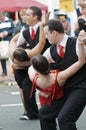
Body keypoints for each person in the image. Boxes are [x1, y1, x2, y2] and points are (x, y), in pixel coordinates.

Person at [38, 19, 86, 130]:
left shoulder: (77, 43)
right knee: (44, 113)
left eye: (46, 34)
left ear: (54, 33)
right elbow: (37, 65)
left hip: (82, 87)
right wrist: (41, 88)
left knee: (64, 119)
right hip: (66, 89)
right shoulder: (51, 50)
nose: (45, 37)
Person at [9, 18, 48, 120]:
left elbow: (41, 43)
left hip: (34, 64)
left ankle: (32, 112)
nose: (25, 17)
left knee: (27, 86)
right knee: (24, 87)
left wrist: (42, 25)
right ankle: (28, 111)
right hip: (22, 66)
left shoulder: (28, 52)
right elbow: (41, 43)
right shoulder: (16, 58)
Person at [28, 39, 86, 107]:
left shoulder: (33, 77)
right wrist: (80, 44)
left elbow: (30, 68)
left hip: (45, 103)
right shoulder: (59, 77)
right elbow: (80, 62)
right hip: (60, 102)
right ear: (48, 63)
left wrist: (39, 92)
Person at [0, 11, 14, 76]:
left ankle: (14, 69)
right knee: (2, 56)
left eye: (2, 18)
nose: (1, 19)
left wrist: (7, 32)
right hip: (2, 41)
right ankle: (4, 71)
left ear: (4, 16)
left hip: (9, 40)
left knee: (11, 55)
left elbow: (13, 29)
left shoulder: (10, 20)